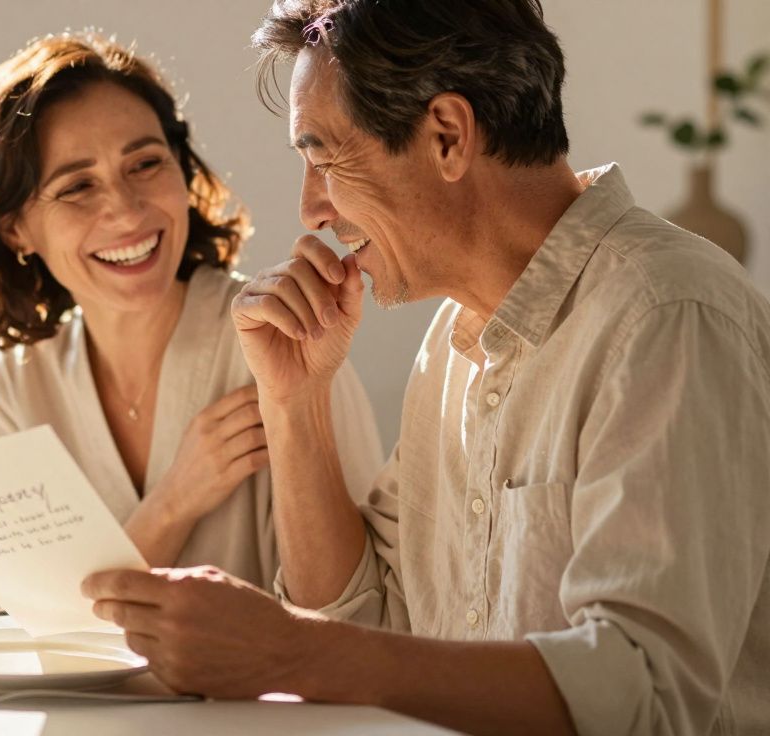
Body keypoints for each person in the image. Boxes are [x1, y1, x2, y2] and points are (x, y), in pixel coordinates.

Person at [82, 2, 770, 734]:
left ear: (447, 135)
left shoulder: (667, 315)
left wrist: (291, 655)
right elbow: (368, 620)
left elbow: (647, 696)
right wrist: (295, 402)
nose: (311, 208)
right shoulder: (451, 339)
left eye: (322, 160)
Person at [0, 32, 384, 588]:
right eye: (77, 186)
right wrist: (175, 500)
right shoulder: (15, 383)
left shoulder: (285, 341)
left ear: (181, 172)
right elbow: (44, 619)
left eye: (145, 164)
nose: (126, 209)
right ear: (16, 228)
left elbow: (358, 610)